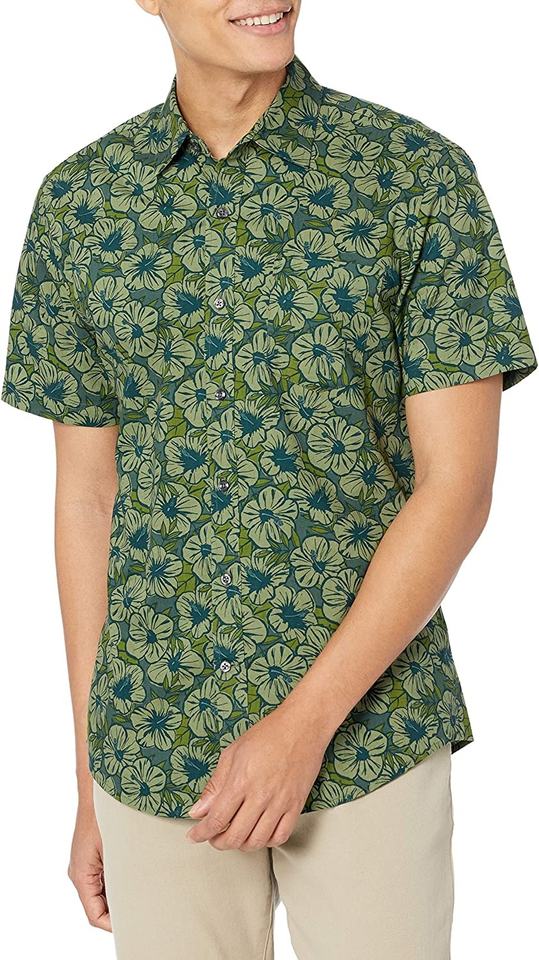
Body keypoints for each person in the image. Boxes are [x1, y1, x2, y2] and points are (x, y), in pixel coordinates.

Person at [2, 1, 537, 957]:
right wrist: (89, 779)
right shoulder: (81, 204)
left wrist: (302, 727)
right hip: (153, 742)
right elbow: (87, 498)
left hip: (368, 734)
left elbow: (456, 488)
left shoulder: (413, 176)